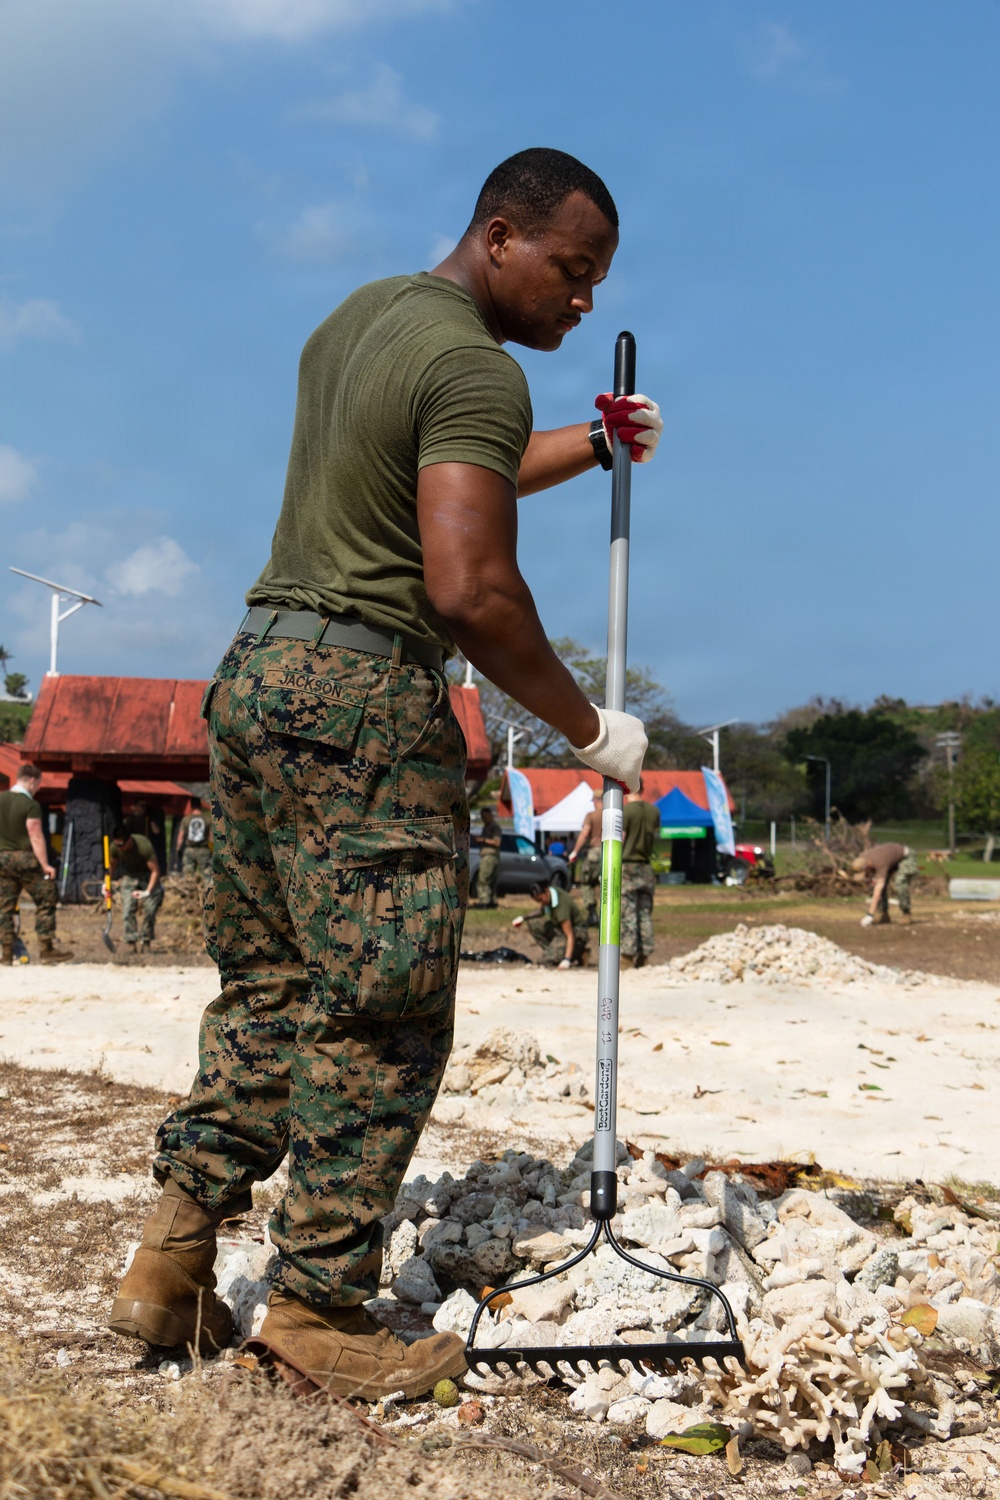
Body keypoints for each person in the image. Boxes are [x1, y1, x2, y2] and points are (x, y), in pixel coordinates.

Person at [109, 148, 659, 1399]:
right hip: (363, 697)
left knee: (266, 988)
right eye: (572, 272)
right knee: (382, 1015)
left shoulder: (360, 320)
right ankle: (315, 1311)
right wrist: (585, 731)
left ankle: (172, 1261)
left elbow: (440, 476)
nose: (581, 301)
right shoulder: (476, 363)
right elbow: (465, 581)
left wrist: (592, 443)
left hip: (256, 675)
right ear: (502, 237)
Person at [0, 763, 73, 965]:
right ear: (32, 781)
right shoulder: (30, 805)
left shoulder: (1, 799)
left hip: (2, 860)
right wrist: (46, 865)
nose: (38, 788)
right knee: (46, 897)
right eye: (38, 784)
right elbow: (35, 836)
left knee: (4, 907)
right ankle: (47, 949)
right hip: (24, 859)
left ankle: (6, 954)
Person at [621, 782, 660, 969]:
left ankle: (627, 956)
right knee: (644, 913)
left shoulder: (626, 812)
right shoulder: (654, 812)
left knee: (628, 913)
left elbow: (621, 838)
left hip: (628, 866)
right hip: (646, 867)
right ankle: (645, 955)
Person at [110, 824, 164, 952]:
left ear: (129, 840)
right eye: (117, 845)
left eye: (122, 845)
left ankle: (146, 941)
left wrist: (147, 892)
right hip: (129, 876)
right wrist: (106, 883)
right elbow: (112, 867)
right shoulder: (114, 847)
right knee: (128, 910)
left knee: (150, 909)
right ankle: (131, 942)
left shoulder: (143, 846)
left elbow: (155, 871)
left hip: (147, 875)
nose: (120, 848)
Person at [513, 880, 589, 968]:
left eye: (541, 899)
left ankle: (567, 954)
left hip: (576, 933)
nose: (541, 903)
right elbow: (541, 911)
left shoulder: (561, 906)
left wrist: (567, 960)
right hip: (560, 930)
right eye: (538, 901)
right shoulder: (550, 894)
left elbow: (570, 935)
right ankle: (555, 953)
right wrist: (523, 918)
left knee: (545, 961)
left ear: (546, 891)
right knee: (533, 923)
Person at [853, 843, 919, 926]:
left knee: (900, 881)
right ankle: (883, 914)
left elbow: (878, 889)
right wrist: (869, 884)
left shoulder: (879, 861)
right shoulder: (862, 858)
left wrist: (870, 914)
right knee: (873, 884)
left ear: (868, 865)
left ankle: (906, 914)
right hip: (890, 861)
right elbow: (870, 879)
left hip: (906, 857)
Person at [569, 790, 603, 924]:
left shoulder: (591, 815)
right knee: (606, 884)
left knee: (586, 882)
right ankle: (605, 914)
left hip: (595, 852)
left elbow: (584, 834)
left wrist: (575, 852)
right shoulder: (614, 814)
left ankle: (592, 912)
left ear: (595, 800)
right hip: (612, 853)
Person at [472, 805, 502, 908]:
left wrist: (483, 840)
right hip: (489, 856)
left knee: (483, 879)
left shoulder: (494, 827)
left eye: (485, 817)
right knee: (490, 880)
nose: (484, 819)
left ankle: (484, 902)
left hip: (490, 856)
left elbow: (497, 842)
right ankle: (490, 901)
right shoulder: (486, 827)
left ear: (490, 815)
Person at [177, 798, 212, 883]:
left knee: (188, 876)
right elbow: (211, 837)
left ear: (191, 806)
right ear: (200, 805)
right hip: (204, 850)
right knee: (206, 876)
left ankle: (189, 893)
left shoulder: (186, 819)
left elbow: (180, 836)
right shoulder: (207, 819)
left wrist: (178, 849)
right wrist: (212, 850)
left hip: (189, 849)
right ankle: (206, 894)